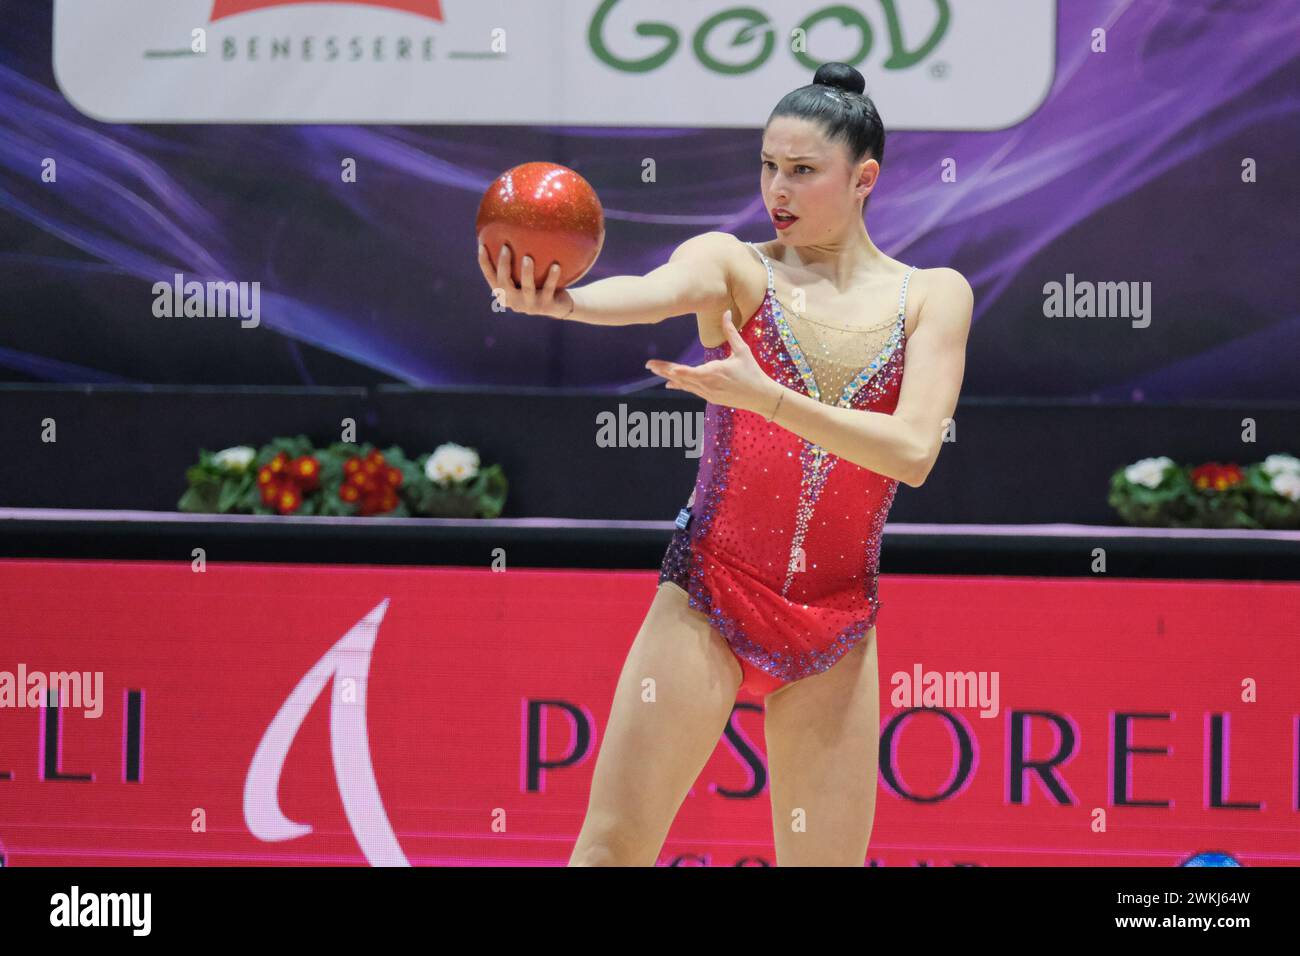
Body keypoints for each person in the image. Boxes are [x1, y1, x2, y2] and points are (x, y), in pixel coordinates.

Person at [476, 61, 972, 866]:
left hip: (835, 622)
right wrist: (562, 302)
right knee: (610, 851)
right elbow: (647, 288)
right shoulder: (735, 266)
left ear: (864, 178)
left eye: (804, 170)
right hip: (709, 592)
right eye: (769, 166)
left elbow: (913, 452)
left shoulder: (932, 296)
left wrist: (765, 397)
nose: (779, 188)